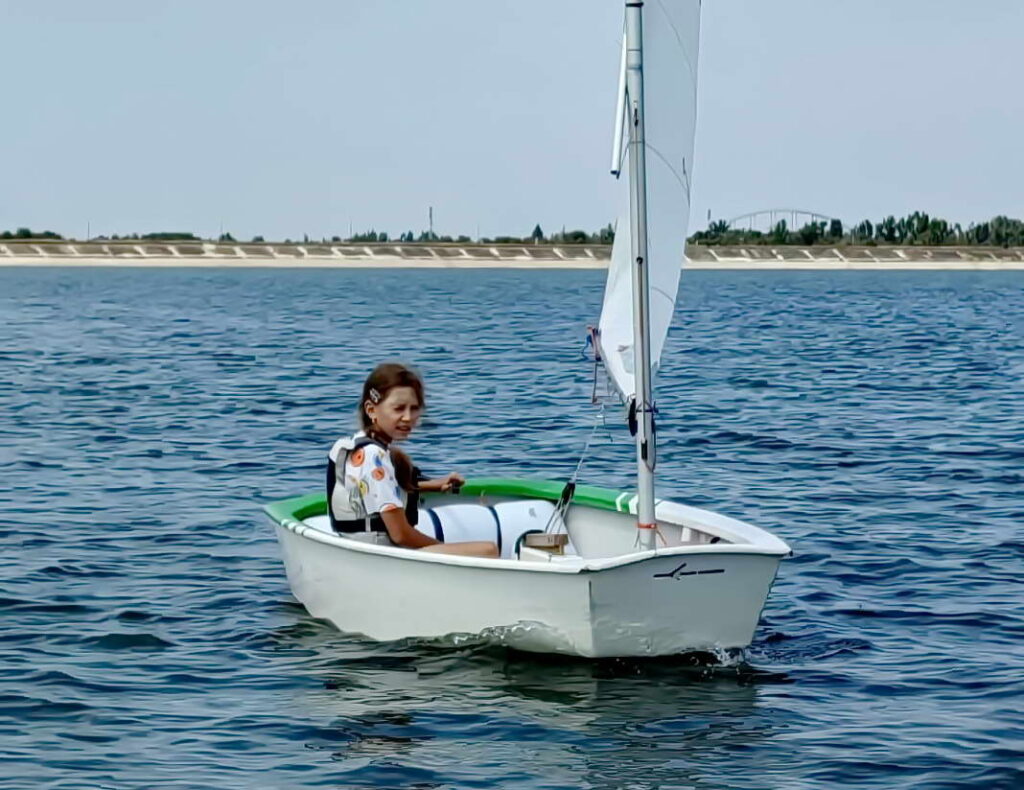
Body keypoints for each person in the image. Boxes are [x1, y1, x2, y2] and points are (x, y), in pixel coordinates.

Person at [327, 362, 498, 558]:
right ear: (371, 410)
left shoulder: (350, 446)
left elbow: (373, 489)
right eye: (399, 408)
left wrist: (432, 485)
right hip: (381, 555)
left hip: (359, 550)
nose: (408, 417)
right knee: (488, 550)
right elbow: (400, 535)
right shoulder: (374, 457)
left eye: (414, 408)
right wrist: (445, 549)